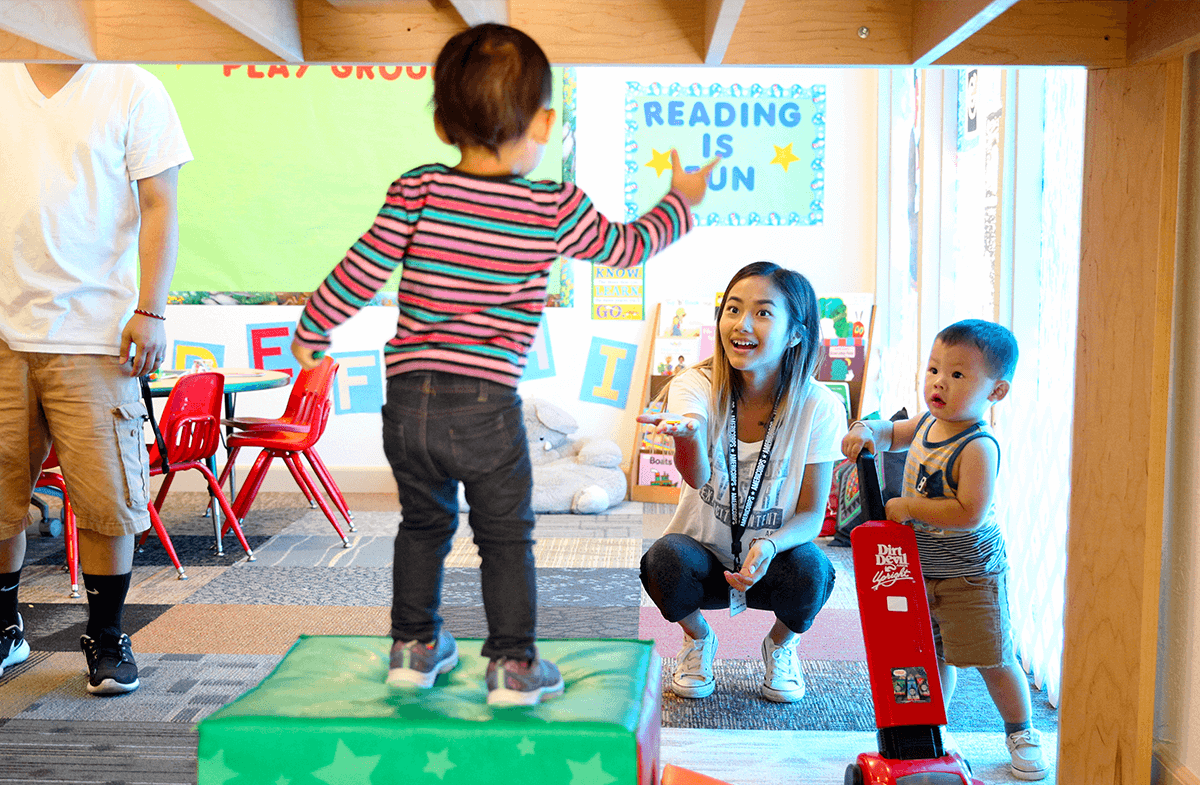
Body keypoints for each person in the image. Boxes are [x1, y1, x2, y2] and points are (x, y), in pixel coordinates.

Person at [290, 23, 715, 707]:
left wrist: (312, 333)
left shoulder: (419, 189)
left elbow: (361, 269)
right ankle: (514, 665)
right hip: (485, 406)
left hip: (407, 404)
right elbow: (631, 246)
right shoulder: (551, 205)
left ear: (440, 121)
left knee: (422, 524)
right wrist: (682, 200)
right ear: (543, 121)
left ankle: (413, 646)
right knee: (505, 537)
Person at [0, 63, 192, 694]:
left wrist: (151, 310)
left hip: (95, 333)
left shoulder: (131, 86)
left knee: (109, 503)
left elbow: (160, 204)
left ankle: (107, 637)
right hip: (2, 335)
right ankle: (5, 628)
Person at [840, 319, 1047, 781]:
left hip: (970, 573)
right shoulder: (929, 423)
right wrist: (866, 429)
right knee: (927, 656)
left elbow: (969, 511)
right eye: (934, 369)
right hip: (920, 569)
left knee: (991, 656)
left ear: (996, 392)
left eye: (957, 375)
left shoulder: (977, 445)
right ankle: (932, 728)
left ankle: (1022, 730)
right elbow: (891, 433)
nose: (939, 382)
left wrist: (909, 507)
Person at [639, 262, 844, 703]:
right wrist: (690, 434)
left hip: (773, 561)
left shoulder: (819, 406)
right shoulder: (696, 383)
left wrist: (770, 545)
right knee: (662, 560)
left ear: (795, 335)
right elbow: (695, 476)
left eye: (763, 313)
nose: (741, 324)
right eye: (732, 309)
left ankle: (781, 645)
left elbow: (812, 514)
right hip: (704, 560)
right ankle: (698, 641)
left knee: (815, 571)